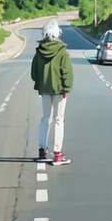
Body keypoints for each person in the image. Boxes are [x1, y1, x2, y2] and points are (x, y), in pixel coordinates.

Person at [31, 18, 74, 165]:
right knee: (58, 120)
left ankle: (42, 151)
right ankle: (57, 154)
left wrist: (40, 83)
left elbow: (33, 73)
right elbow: (66, 72)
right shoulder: (62, 51)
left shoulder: (39, 51)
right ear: (57, 33)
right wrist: (66, 87)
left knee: (45, 119)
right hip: (59, 90)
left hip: (44, 90)